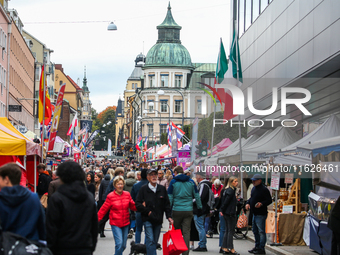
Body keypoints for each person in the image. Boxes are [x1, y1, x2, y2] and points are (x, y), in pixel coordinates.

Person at [46, 161, 98, 255]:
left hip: (62, 248)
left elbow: (51, 228)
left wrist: (51, 249)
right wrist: (90, 246)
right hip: (84, 247)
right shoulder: (89, 197)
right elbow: (94, 226)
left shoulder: (57, 198)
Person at [0, 163, 46, 241]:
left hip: (6, 246)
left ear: (6, 179)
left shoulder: (2, 199)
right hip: (29, 246)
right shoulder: (33, 198)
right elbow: (41, 226)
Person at [135, 169, 173, 255]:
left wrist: (169, 216)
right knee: (150, 239)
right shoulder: (143, 189)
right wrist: (147, 211)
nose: (153, 176)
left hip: (158, 219)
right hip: (147, 218)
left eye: (155, 174)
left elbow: (166, 204)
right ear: (148, 177)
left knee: (154, 241)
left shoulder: (162, 189)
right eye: (151, 175)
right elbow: (137, 203)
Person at [98, 176, 137, 255]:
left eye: (121, 184)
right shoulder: (110, 196)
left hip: (125, 222)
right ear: (115, 185)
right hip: (115, 223)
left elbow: (133, 206)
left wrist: (142, 206)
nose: (120, 186)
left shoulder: (127, 194)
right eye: (118, 184)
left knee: (123, 246)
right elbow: (103, 209)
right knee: (119, 244)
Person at [168, 166, 202, 255]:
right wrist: (199, 207)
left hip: (176, 210)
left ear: (175, 172)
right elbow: (197, 195)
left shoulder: (173, 182)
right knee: (186, 232)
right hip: (188, 210)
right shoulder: (191, 181)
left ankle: (177, 250)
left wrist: (168, 210)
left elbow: (170, 197)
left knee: (177, 231)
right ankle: (185, 252)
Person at [245, 174, 272, 255]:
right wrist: (248, 203)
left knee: (261, 231)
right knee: (255, 230)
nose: (253, 182)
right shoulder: (253, 188)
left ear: (259, 180)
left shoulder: (264, 189)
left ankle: (261, 248)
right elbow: (251, 198)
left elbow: (269, 200)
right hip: (254, 213)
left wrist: (261, 203)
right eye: (252, 180)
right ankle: (257, 246)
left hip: (261, 213)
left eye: (255, 180)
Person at [220, 176, 239, 255]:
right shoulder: (230, 191)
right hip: (230, 213)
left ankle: (225, 247)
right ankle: (231, 248)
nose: (237, 183)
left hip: (227, 212)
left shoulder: (228, 190)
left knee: (227, 230)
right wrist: (222, 209)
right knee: (230, 231)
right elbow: (226, 202)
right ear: (231, 182)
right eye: (235, 181)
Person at [192, 171, 211, 252]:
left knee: (200, 227)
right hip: (202, 209)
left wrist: (190, 201)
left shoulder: (203, 185)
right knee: (201, 227)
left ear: (200, 176)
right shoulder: (205, 184)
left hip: (200, 209)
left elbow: (199, 197)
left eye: (196, 175)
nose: (196, 176)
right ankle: (202, 244)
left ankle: (202, 245)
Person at [131, 165, 149, 244]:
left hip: (138, 209)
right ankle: (145, 246)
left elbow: (132, 199)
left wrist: (132, 212)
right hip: (148, 210)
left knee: (138, 229)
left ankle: (137, 245)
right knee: (147, 230)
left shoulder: (136, 186)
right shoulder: (150, 185)